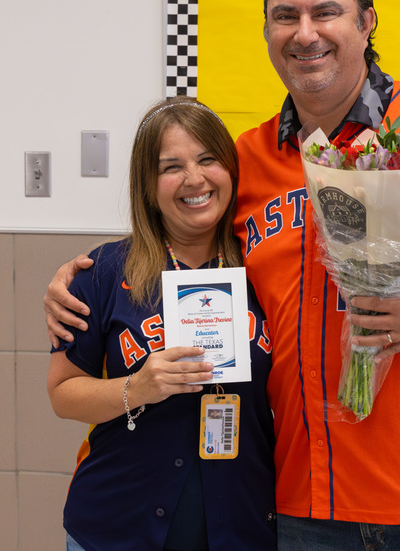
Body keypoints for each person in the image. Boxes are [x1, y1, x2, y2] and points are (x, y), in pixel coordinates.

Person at [46, 0, 400, 550]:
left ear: (367, 22)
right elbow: (177, 233)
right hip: (305, 500)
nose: (306, 34)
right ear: (269, 31)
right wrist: (79, 279)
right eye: (286, 16)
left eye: (326, 12)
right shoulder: (244, 161)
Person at [46, 97, 276, 551]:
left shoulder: (266, 264)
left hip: (242, 524)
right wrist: (137, 388)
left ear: (230, 170)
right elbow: (62, 394)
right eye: (171, 167)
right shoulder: (104, 271)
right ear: (148, 186)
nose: (194, 179)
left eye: (208, 159)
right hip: (118, 525)